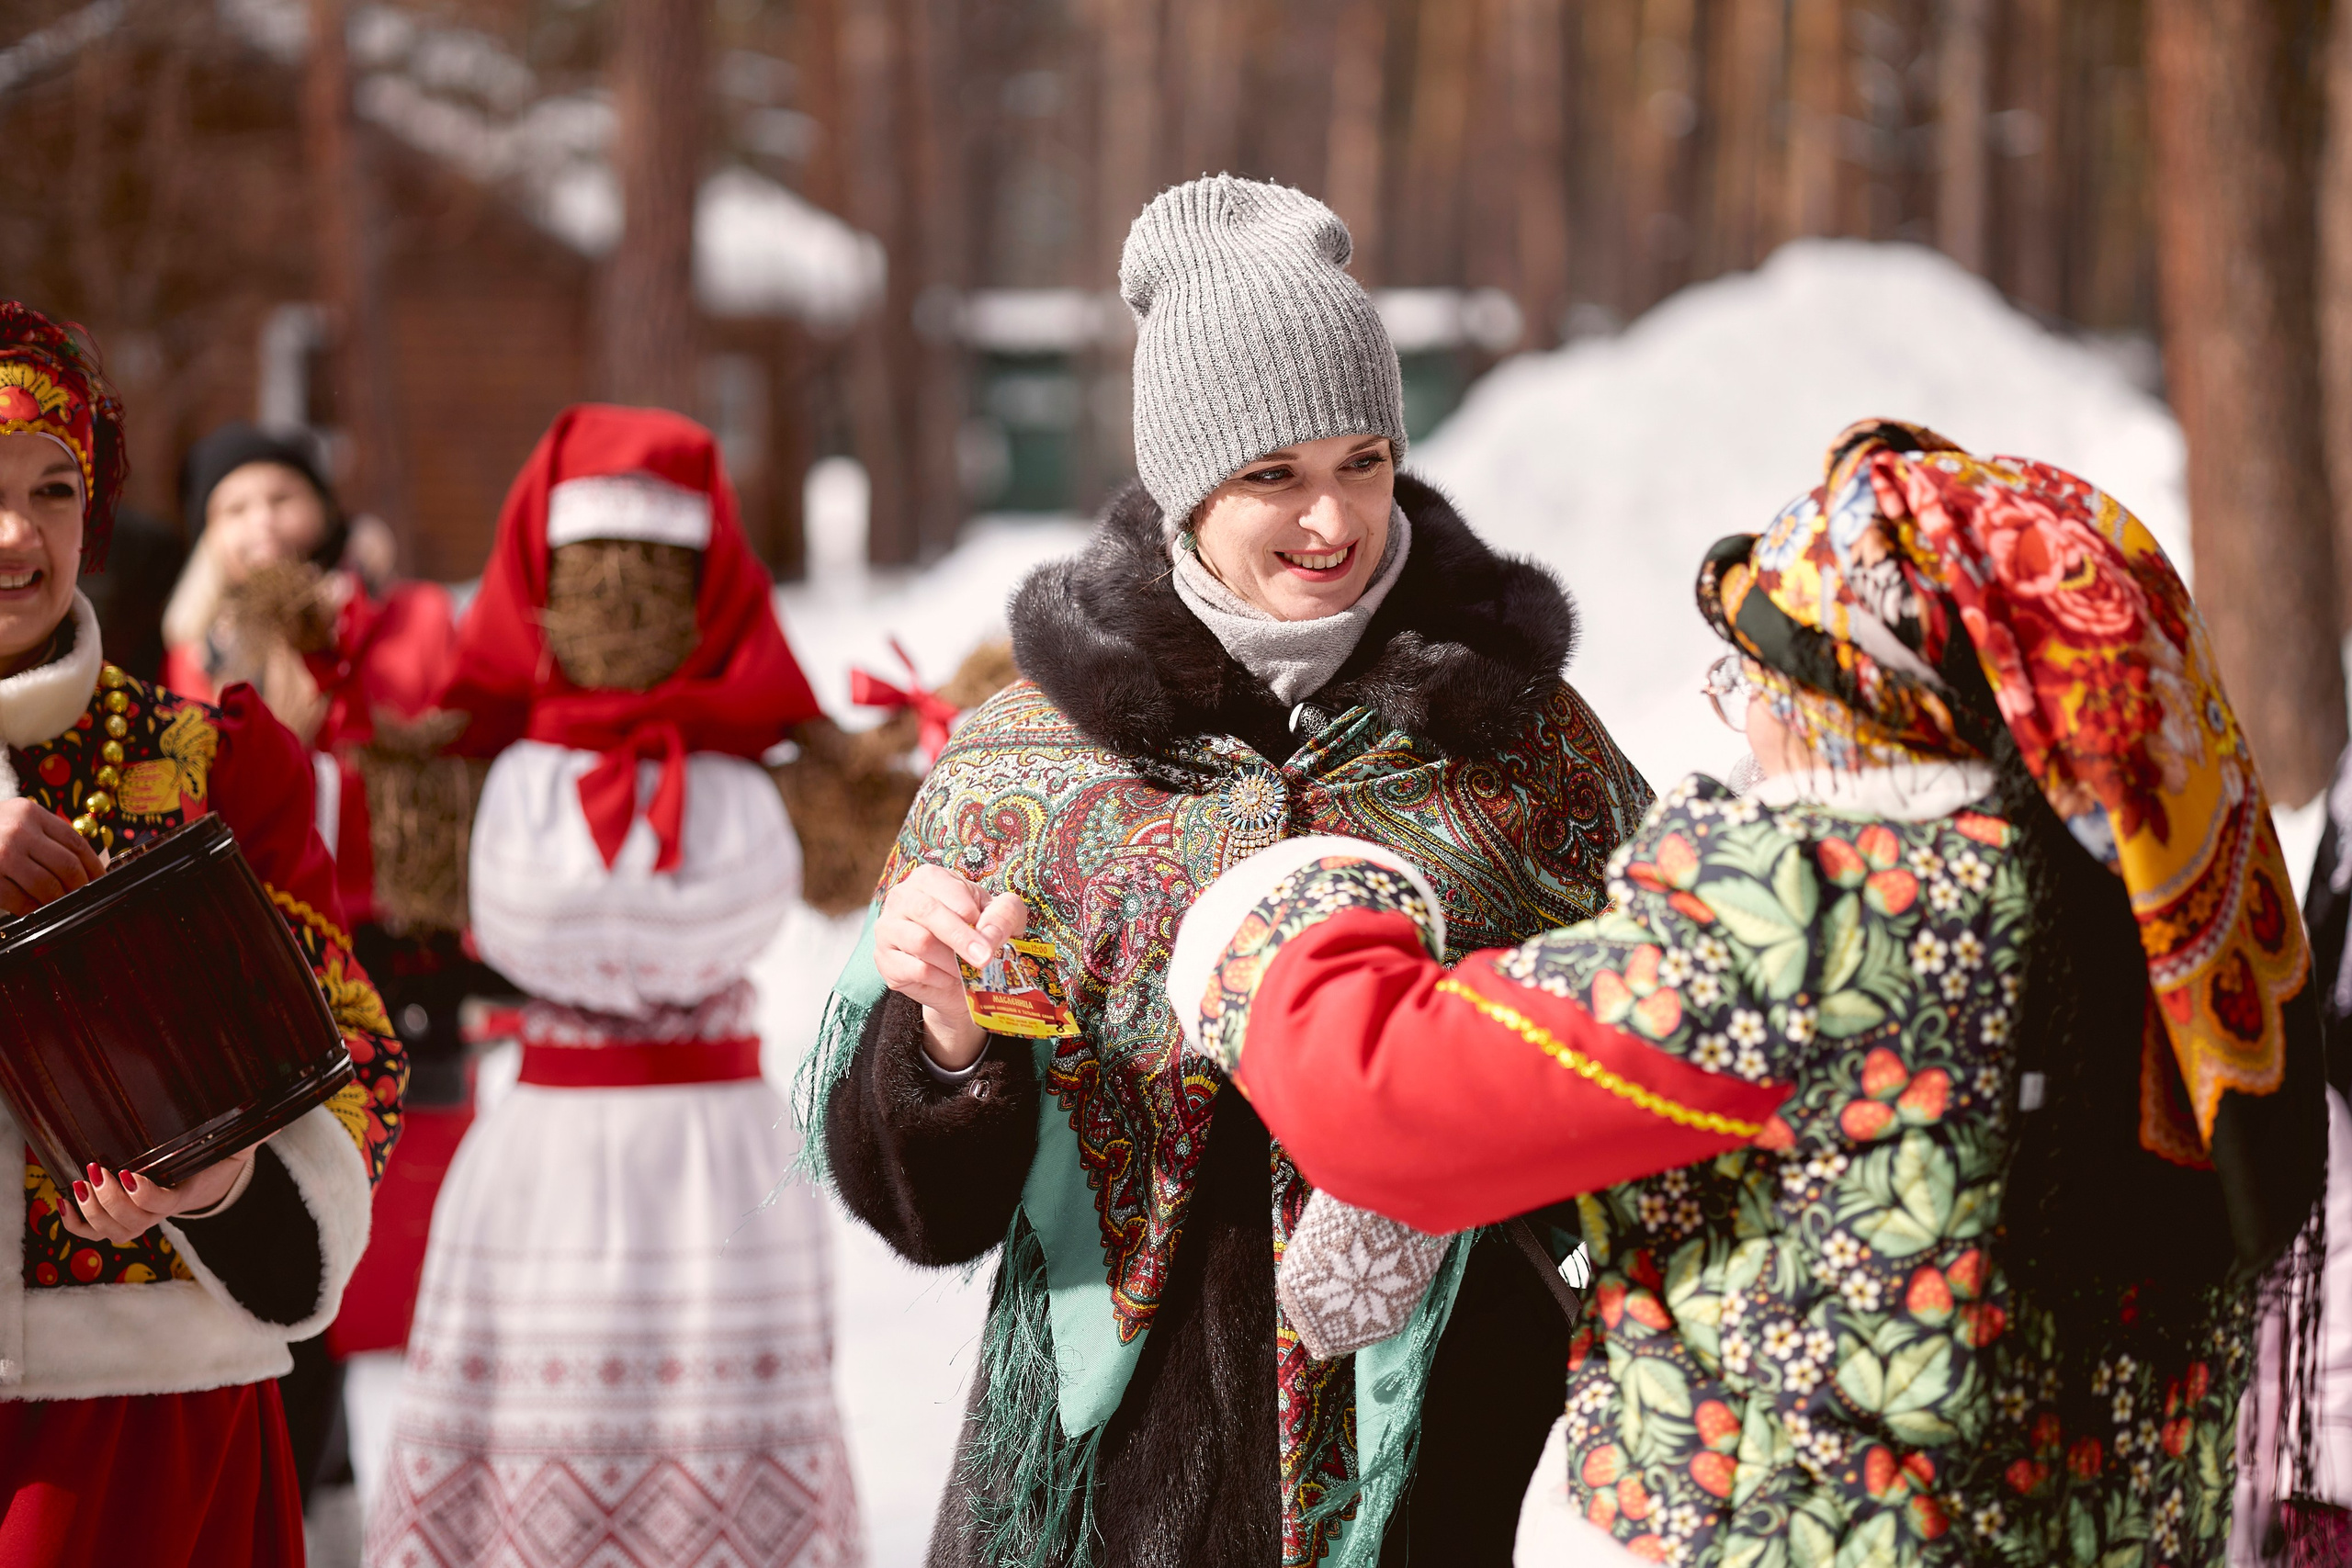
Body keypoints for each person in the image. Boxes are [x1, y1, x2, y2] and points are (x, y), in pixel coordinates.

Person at [1167, 419, 2333, 1566]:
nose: (1740, 714)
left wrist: (1291, 906)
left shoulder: (1814, 915)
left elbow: (1394, 1098)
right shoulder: (2167, 907)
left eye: (1753, 676)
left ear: (1857, 701)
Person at [805, 175, 1652, 1567]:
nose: (1333, 520)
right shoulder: (1033, 762)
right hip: (1125, 1482)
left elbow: (1651, 1065)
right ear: (1188, 482)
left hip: (1456, 1449)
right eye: (1275, 476)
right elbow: (926, 1207)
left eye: (1364, 459)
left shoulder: (1526, 741)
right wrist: (946, 1043)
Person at [365, 404, 862, 1567]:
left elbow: (874, 842)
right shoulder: (490, 767)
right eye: (591, 575)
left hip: (718, 1156)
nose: (620, 607)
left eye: (653, 577)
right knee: (539, 1434)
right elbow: (383, 833)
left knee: (722, 1446)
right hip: (550, 1156)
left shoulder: (756, 769)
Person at [0, 302, 405, 1562]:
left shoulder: (209, 762)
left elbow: (349, 1079)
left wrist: (224, 1188)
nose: (18, 534)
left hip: (139, 1425)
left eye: (52, 489)